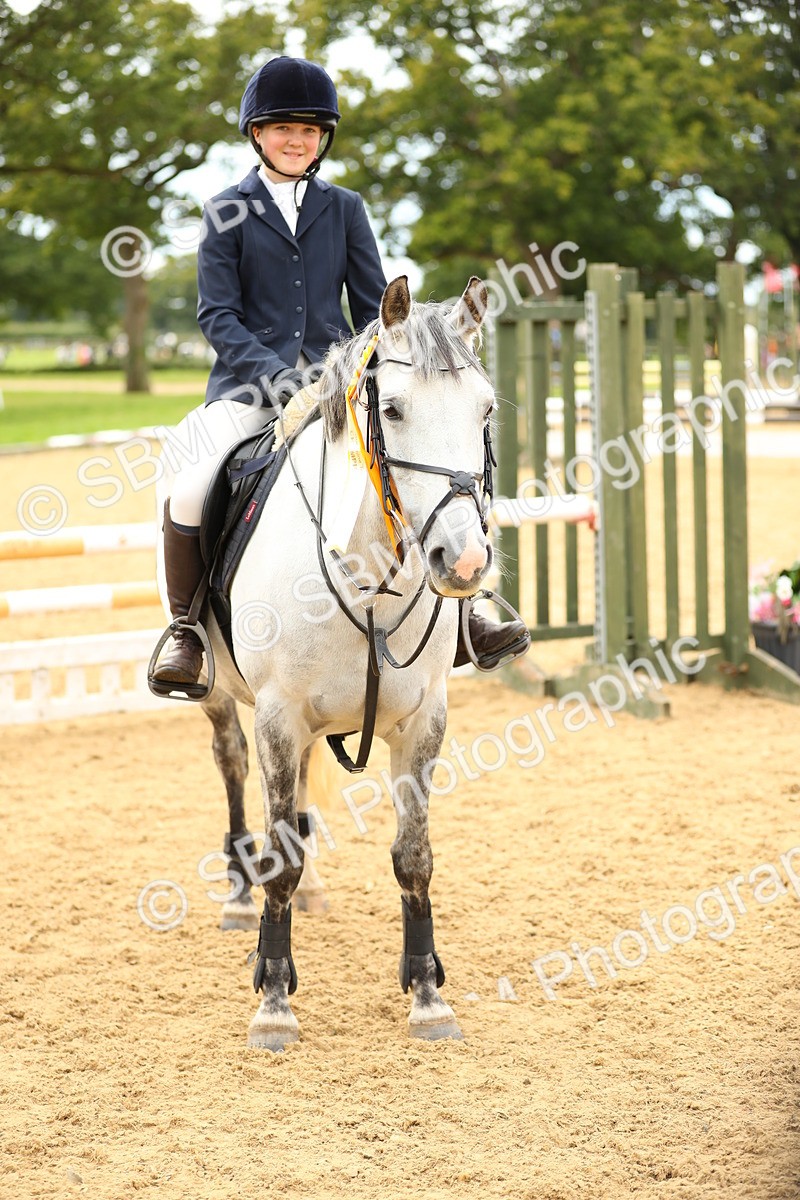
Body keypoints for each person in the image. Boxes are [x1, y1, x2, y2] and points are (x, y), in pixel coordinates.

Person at [152, 56, 527, 689]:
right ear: (257, 135)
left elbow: (379, 308)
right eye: (282, 129)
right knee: (190, 484)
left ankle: (468, 612)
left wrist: (367, 370)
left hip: (339, 390)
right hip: (251, 390)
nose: (296, 141)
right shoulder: (224, 210)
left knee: (427, 462)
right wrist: (278, 378)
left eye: (308, 131)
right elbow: (218, 315)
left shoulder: (345, 207)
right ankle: (186, 632)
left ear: (322, 139)